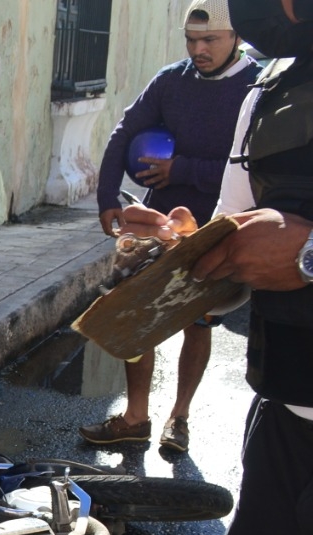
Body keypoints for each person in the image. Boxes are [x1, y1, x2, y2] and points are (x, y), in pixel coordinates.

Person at [119, 0, 313, 535]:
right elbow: (235, 248)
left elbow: (294, 249)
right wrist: (178, 245)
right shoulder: (271, 90)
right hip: (286, 433)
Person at [81, 0, 260, 454]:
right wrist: (106, 197)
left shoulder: (256, 87)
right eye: (191, 40)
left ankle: (178, 418)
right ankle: (135, 417)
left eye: (209, 40)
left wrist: (182, 169)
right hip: (160, 224)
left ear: (235, 37)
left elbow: (251, 169)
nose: (198, 49)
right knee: (138, 315)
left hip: (219, 226)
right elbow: (124, 131)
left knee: (197, 324)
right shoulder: (170, 80)